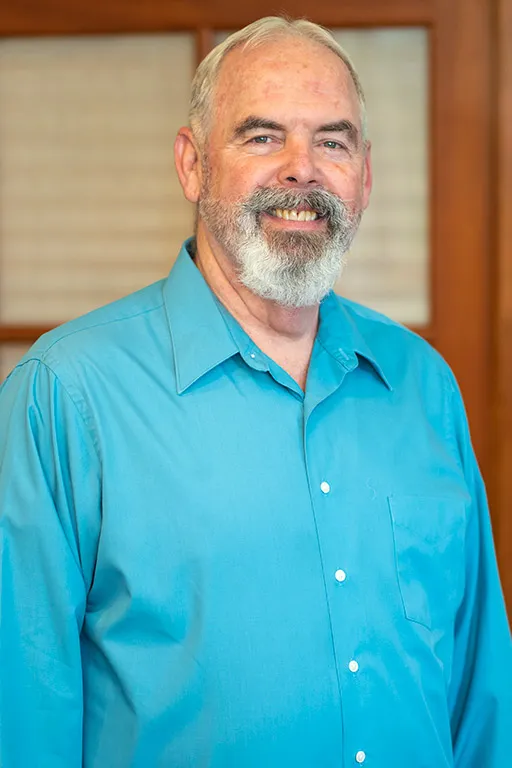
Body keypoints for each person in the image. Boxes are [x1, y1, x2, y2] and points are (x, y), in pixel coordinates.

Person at [0, 16, 510, 768]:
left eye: (332, 141)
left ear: (365, 176)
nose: (302, 170)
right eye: (262, 137)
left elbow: (480, 703)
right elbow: (24, 722)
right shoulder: (64, 397)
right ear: (192, 165)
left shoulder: (422, 386)